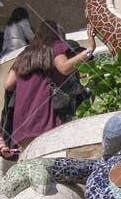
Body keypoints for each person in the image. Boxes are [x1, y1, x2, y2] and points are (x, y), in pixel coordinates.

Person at [5, 20, 93, 150]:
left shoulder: (24, 54)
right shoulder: (55, 46)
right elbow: (64, 67)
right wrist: (90, 49)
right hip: (45, 119)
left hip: (22, 124)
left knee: (28, 166)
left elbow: (8, 84)